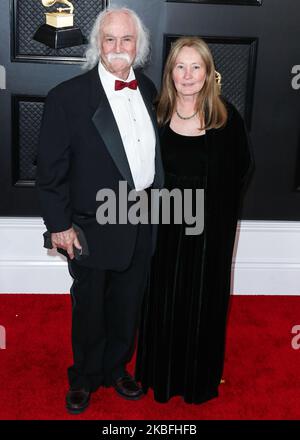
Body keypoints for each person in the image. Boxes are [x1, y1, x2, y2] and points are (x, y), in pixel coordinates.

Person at [37, 7, 164, 414]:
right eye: (109, 39)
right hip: (92, 224)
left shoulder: (149, 90)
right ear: (97, 44)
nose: (118, 47)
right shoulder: (67, 98)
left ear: (139, 45)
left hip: (142, 218)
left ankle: (115, 368)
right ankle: (85, 377)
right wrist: (59, 226)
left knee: (129, 302)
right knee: (89, 306)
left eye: (127, 39)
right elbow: (49, 170)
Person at [135, 36, 253, 404]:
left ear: (208, 72)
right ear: (170, 73)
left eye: (195, 67)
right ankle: (159, 375)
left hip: (207, 235)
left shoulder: (226, 118)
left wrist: (213, 217)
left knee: (201, 303)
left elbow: (241, 170)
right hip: (164, 229)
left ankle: (198, 379)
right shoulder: (156, 115)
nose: (187, 75)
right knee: (161, 300)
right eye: (180, 67)